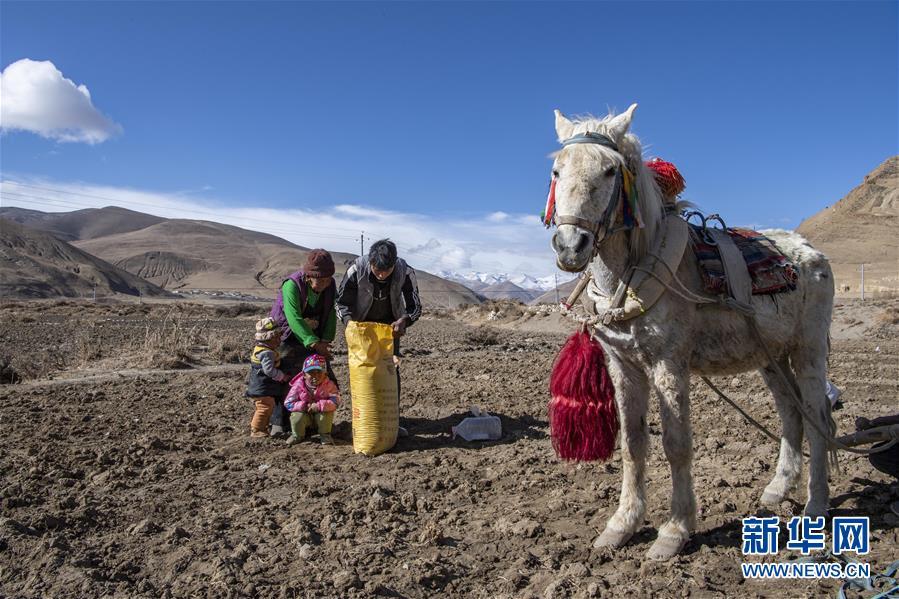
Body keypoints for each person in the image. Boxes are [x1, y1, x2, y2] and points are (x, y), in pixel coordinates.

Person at [336, 239, 422, 435]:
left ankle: (391, 421)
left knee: (390, 371)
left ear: (394, 263)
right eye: (377, 270)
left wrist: (405, 321)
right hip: (361, 329)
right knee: (364, 373)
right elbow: (341, 303)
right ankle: (364, 420)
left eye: (387, 270)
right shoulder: (357, 269)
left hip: (390, 330)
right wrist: (350, 324)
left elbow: (415, 306)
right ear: (371, 262)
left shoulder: (405, 271)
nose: (382, 274)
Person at [269, 249, 338, 436]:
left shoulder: (330, 286)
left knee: (321, 377)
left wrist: (325, 340)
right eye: (319, 280)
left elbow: (331, 313)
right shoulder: (292, 285)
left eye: (327, 280)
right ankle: (279, 422)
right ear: (308, 276)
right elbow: (294, 318)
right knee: (285, 377)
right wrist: (314, 343)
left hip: (316, 337)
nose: (323, 284)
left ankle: (315, 422)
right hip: (288, 335)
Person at [245, 317, 290, 437]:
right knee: (264, 407)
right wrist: (282, 376)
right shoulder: (267, 353)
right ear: (269, 339)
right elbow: (269, 370)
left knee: (266, 406)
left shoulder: (259, 349)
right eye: (277, 338)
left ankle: (262, 428)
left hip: (258, 385)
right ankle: (256, 429)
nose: (279, 340)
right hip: (262, 387)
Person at [283, 354, 341, 445]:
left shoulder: (329, 385)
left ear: (325, 374)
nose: (316, 376)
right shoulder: (298, 386)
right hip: (305, 415)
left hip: (320, 415)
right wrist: (304, 406)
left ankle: (325, 435)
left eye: (319, 372)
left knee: (326, 413)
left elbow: (336, 401)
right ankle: (297, 435)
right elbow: (288, 403)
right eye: (311, 372)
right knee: (297, 416)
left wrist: (319, 406)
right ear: (304, 375)